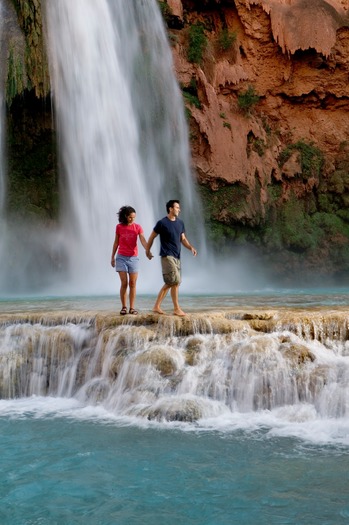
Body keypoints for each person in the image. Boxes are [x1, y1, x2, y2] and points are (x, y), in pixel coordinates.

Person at [146, 199, 197, 316]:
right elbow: (152, 236)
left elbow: (183, 239)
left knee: (173, 282)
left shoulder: (180, 223)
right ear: (171, 208)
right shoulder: (162, 223)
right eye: (177, 207)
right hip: (166, 256)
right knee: (175, 281)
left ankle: (156, 306)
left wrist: (191, 248)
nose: (179, 209)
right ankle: (176, 308)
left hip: (177, 256)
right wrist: (147, 250)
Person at [110, 205, 148, 315]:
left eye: (134, 217)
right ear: (126, 216)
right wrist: (112, 257)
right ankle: (124, 307)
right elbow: (116, 242)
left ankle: (132, 308)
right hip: (121, 257)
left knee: (132, 283)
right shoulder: (119, 227)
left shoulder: (138, 227)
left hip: (133, 258)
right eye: (130, 217)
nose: (132, 219)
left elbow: (143, 240)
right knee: (124, 283)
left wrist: (147, 249)